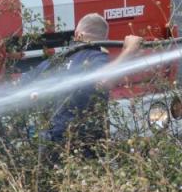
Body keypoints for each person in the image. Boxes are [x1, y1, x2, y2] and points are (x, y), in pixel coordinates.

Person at [26, 13, 142, 158]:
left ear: (77, 34)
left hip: (51, 141)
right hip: (82, 145)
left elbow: (25, 83)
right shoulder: (95, 58)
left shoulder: (58, 60)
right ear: (104, 39)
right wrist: (130, 50)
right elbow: (105, 80)